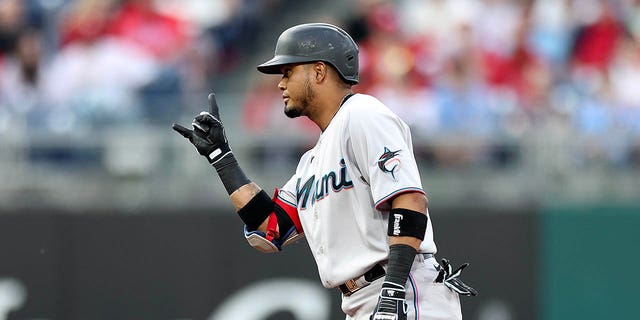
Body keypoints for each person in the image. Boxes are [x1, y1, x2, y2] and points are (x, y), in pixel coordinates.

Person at [173, 23, 476, 320]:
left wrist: (393, 290)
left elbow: (410, 201)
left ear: (318, 71)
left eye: (288, 71)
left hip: (404, 290)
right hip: (362, 300)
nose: (280, 83)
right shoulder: (311, 162)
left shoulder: (363, 114)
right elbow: (269, 229)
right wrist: (221, 157)